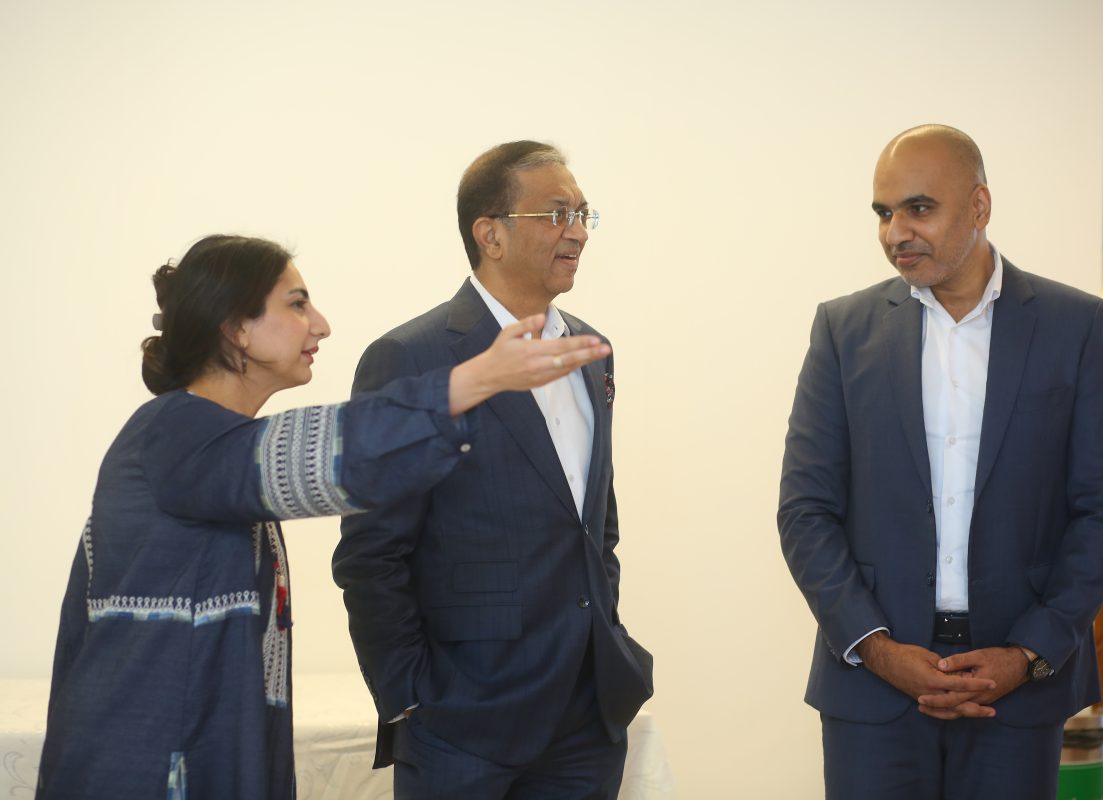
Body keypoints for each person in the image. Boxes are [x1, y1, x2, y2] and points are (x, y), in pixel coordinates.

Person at [37, 234, 611, 800]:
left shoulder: (203, 442)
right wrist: (478, 378)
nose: (321, 325)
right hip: (147, 765)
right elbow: (327, 452)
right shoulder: (171, 434)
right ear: (235, 329)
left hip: (192, 752)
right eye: (296, 304)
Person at [777, 125, 1103, 798]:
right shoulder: (843, 330)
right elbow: (805, 511)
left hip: (1018, 693)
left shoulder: (1075, 326)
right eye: (883, 213)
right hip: (872, 688)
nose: (896, 232)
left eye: (919, 208)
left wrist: (1027, 653)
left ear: (979, 206)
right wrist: (878, 649)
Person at [333, 141, 653, 799]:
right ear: (491, 235)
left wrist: (605, 632)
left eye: (584, 214)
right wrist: (410, 699)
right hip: (460, 726)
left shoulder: (592, 351)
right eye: (557, 214)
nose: (579, 232)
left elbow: (595, 525)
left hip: (586, 720)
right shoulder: (412, 357)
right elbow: (372, 554)